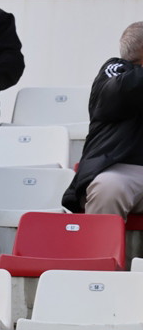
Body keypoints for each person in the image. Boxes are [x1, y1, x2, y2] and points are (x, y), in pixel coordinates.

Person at [62, 21, 143, 217]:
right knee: (109, 188)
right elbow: (118, 92)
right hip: (118, 169)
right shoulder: (116, 69)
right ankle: (99, 239)